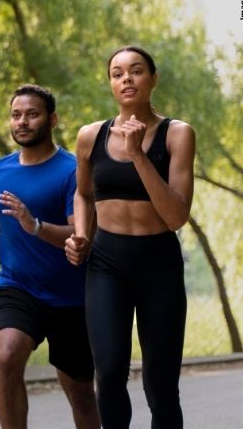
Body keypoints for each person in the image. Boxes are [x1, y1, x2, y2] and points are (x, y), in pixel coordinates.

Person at [65, 46, 195, 428]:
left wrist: (138, 155)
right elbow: (83, 193)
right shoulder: (90, 136)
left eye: (137, 71)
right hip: (107, 264)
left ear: (153, 79)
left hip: (159, 264)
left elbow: (175, 216)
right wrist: (80, 235)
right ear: (110, 83)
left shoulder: (177, 134)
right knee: (107, 372)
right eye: (117, 73)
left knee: (161, 384)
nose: (127, 79)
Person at [0, 84, 100, 429]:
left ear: (52, 119)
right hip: (17, 286)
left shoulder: (73, 171)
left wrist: (36, 225)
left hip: (71, 296)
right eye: (16, 115)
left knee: (82, 394)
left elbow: (80, 234)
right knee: (7, 355)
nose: (22, 122)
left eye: (32, 114)